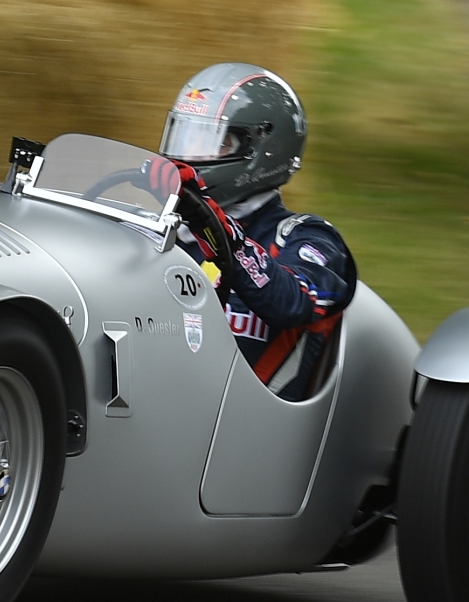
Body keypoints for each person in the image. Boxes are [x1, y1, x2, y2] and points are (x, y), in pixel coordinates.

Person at [151, 65, 357, 397]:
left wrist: (219, 233)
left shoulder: (309, 236)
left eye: (216, 142)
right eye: (186, 138)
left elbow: (294, 302)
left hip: (244, 415)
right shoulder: (164, 226)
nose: (188, 158)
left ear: (265, 151)